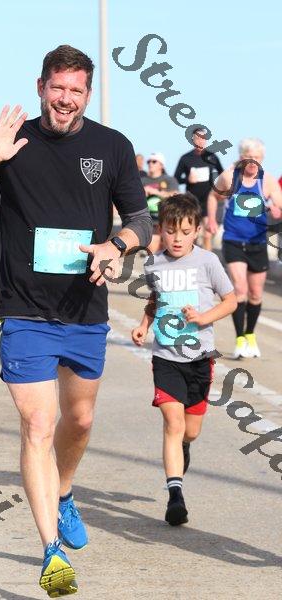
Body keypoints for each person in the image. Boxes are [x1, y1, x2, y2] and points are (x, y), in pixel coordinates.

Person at [0, 44, 152, 597]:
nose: (66, 99)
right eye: (58, 87)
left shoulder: (112, 146)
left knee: (79, 421)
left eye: (76, 90)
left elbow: (141, 220)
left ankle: (66, 491)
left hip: (85, 309)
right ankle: (52, 550)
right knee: (37, 425)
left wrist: (117, 245)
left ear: (87, 94)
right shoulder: (11, 140)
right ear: (41, 87)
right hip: (24, 310)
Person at [132, 194, 236, 526]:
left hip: (199, 358)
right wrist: (144, 325)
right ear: (160, 229)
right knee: (173, 424)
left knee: (190, 431)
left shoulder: (208, 262)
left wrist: (204, 317)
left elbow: (231, 300)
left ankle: (184, 448)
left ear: (197, 231)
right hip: (166, 356)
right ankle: (175, 495)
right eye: (171, 231)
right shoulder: (154, 264)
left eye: (185, 232)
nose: (177, 239)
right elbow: (155, 300)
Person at [207, 138, 282, 359]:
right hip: (233, 241)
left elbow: (279, 204)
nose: (253, 162)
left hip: (257, 243)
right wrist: (211, 219)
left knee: (256, 294)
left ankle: (250, 334)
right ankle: (240, 338)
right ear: (241, 157)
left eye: (257, 158)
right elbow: (213, 195)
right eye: (249, 158)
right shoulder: (230, 177)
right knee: (240, 289)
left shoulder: (267, 181)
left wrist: (276, 210)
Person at [174, 128, 223, 250]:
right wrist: (187, 179)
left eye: (203, 138)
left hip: (208, 200)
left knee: (207, 234)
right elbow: (176, 179)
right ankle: (192, 257)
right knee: (192, 234)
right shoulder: (185, 158)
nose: (200, 141)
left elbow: (223, 174)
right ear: (193, 140)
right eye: (197, 138)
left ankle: (207, 258)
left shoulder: (212, 157)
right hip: (192, 201)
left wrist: (217, 185)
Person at [141, 152, 178, 253]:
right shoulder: (142, 181)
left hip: (167, 218)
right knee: (152, 250)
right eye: (148, 162)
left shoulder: (169, 180)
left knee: (168, 251)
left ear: (161, 165)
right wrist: (142, 194)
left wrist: (155, 192)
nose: (150, 164)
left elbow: (175, 195)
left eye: (154, 161)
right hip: (150, 220)